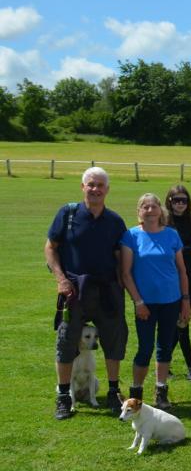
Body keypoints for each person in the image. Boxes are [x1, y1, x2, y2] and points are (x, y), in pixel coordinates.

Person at [46, 167, 128, 419]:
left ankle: (113, 392)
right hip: (74, 291)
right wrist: (61, 279)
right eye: (91, 184)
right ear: (83, 187)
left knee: (114, 339)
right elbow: (51, 247)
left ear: (107, 189)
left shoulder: (115, 221)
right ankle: (63, 396)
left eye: (100, 185)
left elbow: (121, 258)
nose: (95, 189)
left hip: (107, 290)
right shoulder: (68, 214)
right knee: (67, 339)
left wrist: (122, 287)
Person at [120, 193, 191, 411]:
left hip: (171, 300)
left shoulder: (171, 235)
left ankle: (161, 390)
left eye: (153, 206)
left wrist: (185, 300)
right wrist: (138, 302)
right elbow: (126, 273)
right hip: (145, 304)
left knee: (165, 348)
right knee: (145, 348)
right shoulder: (131, 236)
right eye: (145, 207)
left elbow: (182, 270)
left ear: (161, 210)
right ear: (139, 212)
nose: (150, 210)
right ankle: (136, 392)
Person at [163, 185, 191, 381]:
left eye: (184, 200)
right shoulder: (163, 223)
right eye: (176, 200)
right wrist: (189, 248)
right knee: (177, 323)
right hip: (168, 277)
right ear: (169, 201)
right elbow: (165, 251)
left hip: (190, 277)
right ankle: (189, 366)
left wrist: (182, 250)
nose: (180, 203)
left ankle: (168, 361)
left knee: (182, 320)